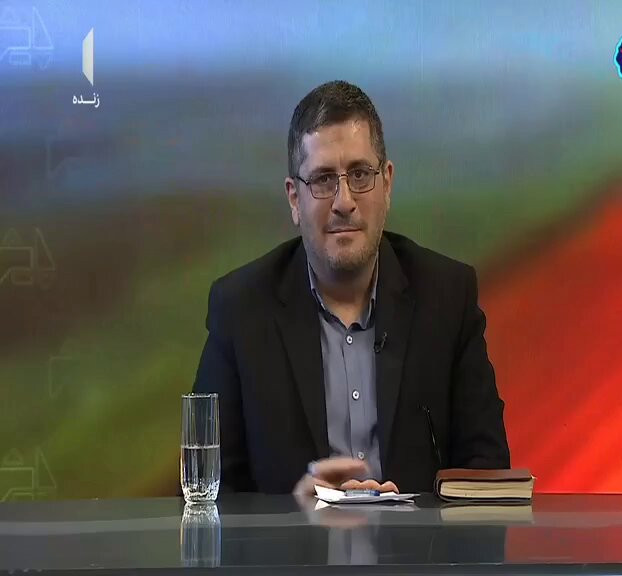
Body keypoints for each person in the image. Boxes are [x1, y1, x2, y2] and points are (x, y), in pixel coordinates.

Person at [193, 80, 510, 495]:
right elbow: (206, 498)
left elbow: (487, 478)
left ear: (387, 184)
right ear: (294, 199)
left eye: (360, 174)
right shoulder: (240, 310)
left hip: (416, 540)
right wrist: (293, 517)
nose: (344, 201)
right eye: (323, 179)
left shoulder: (447, 298)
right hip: (293, 540)